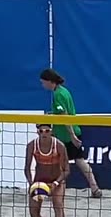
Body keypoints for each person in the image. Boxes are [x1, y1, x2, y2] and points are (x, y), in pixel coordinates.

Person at [40, 68, 102, 198]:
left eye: (43, 82)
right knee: (79, 161)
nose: (42, 85)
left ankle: (55, 189)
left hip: (66, 135)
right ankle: (95, 188)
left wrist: (72, 136)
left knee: (57, 163)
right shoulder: (64, 91)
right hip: (71, 131)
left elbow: (64, 116)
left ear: (50, 81)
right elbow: (62, 113)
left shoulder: (58, 95)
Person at [24, 122, 69, 217]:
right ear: (37, 131)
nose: (44, 133)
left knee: (58, 206)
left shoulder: (59, 145)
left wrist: (56, 182)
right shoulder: (32, 145)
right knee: (33, 211)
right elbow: (27, 168)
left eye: (47, 131)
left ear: (51, 131)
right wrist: (31, 183)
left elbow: (66, 170)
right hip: (39, 181)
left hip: (57, 180)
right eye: (41, 131)